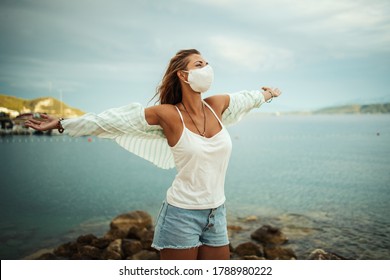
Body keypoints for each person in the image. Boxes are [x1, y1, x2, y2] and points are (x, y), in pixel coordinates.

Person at [25, 49, 281, 260]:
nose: (207, 68)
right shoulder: (168, 114)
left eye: (208, 63)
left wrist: (267, 94)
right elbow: (112, 121)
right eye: (199, 64)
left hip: (217, 212)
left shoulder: (217, 105)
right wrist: (62, 123)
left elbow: (247, 98)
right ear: (183, 74)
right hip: (182, 215)